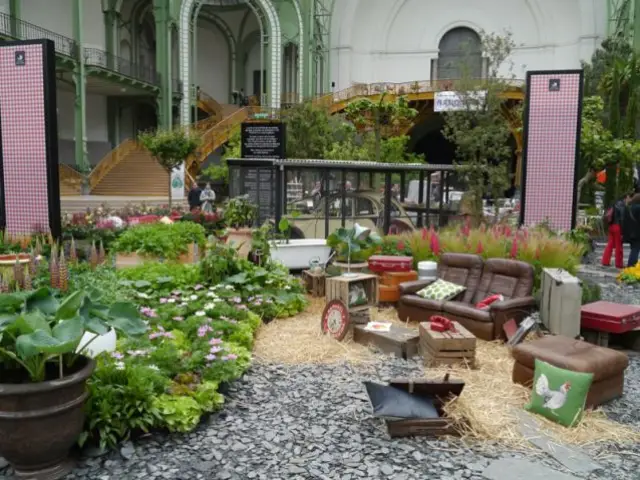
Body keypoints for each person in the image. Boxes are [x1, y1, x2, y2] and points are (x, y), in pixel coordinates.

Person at [602, 193, 631, 269]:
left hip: (611, 226)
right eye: (629, 198)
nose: (630, 200)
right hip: (618, 227)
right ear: (626, 197)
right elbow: (622, 219)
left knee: (610, 244)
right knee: (619, 246)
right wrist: (622, 232)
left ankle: (605, 261)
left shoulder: (615, 204)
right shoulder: (622, 206)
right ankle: (619, 264)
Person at [623, 189, 640, 267]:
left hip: (630, 233)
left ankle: (632, 265)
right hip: (637, 233)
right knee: (635, 250)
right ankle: (631, 266)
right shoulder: (638, 208)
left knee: (633, 249)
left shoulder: (628, 208)